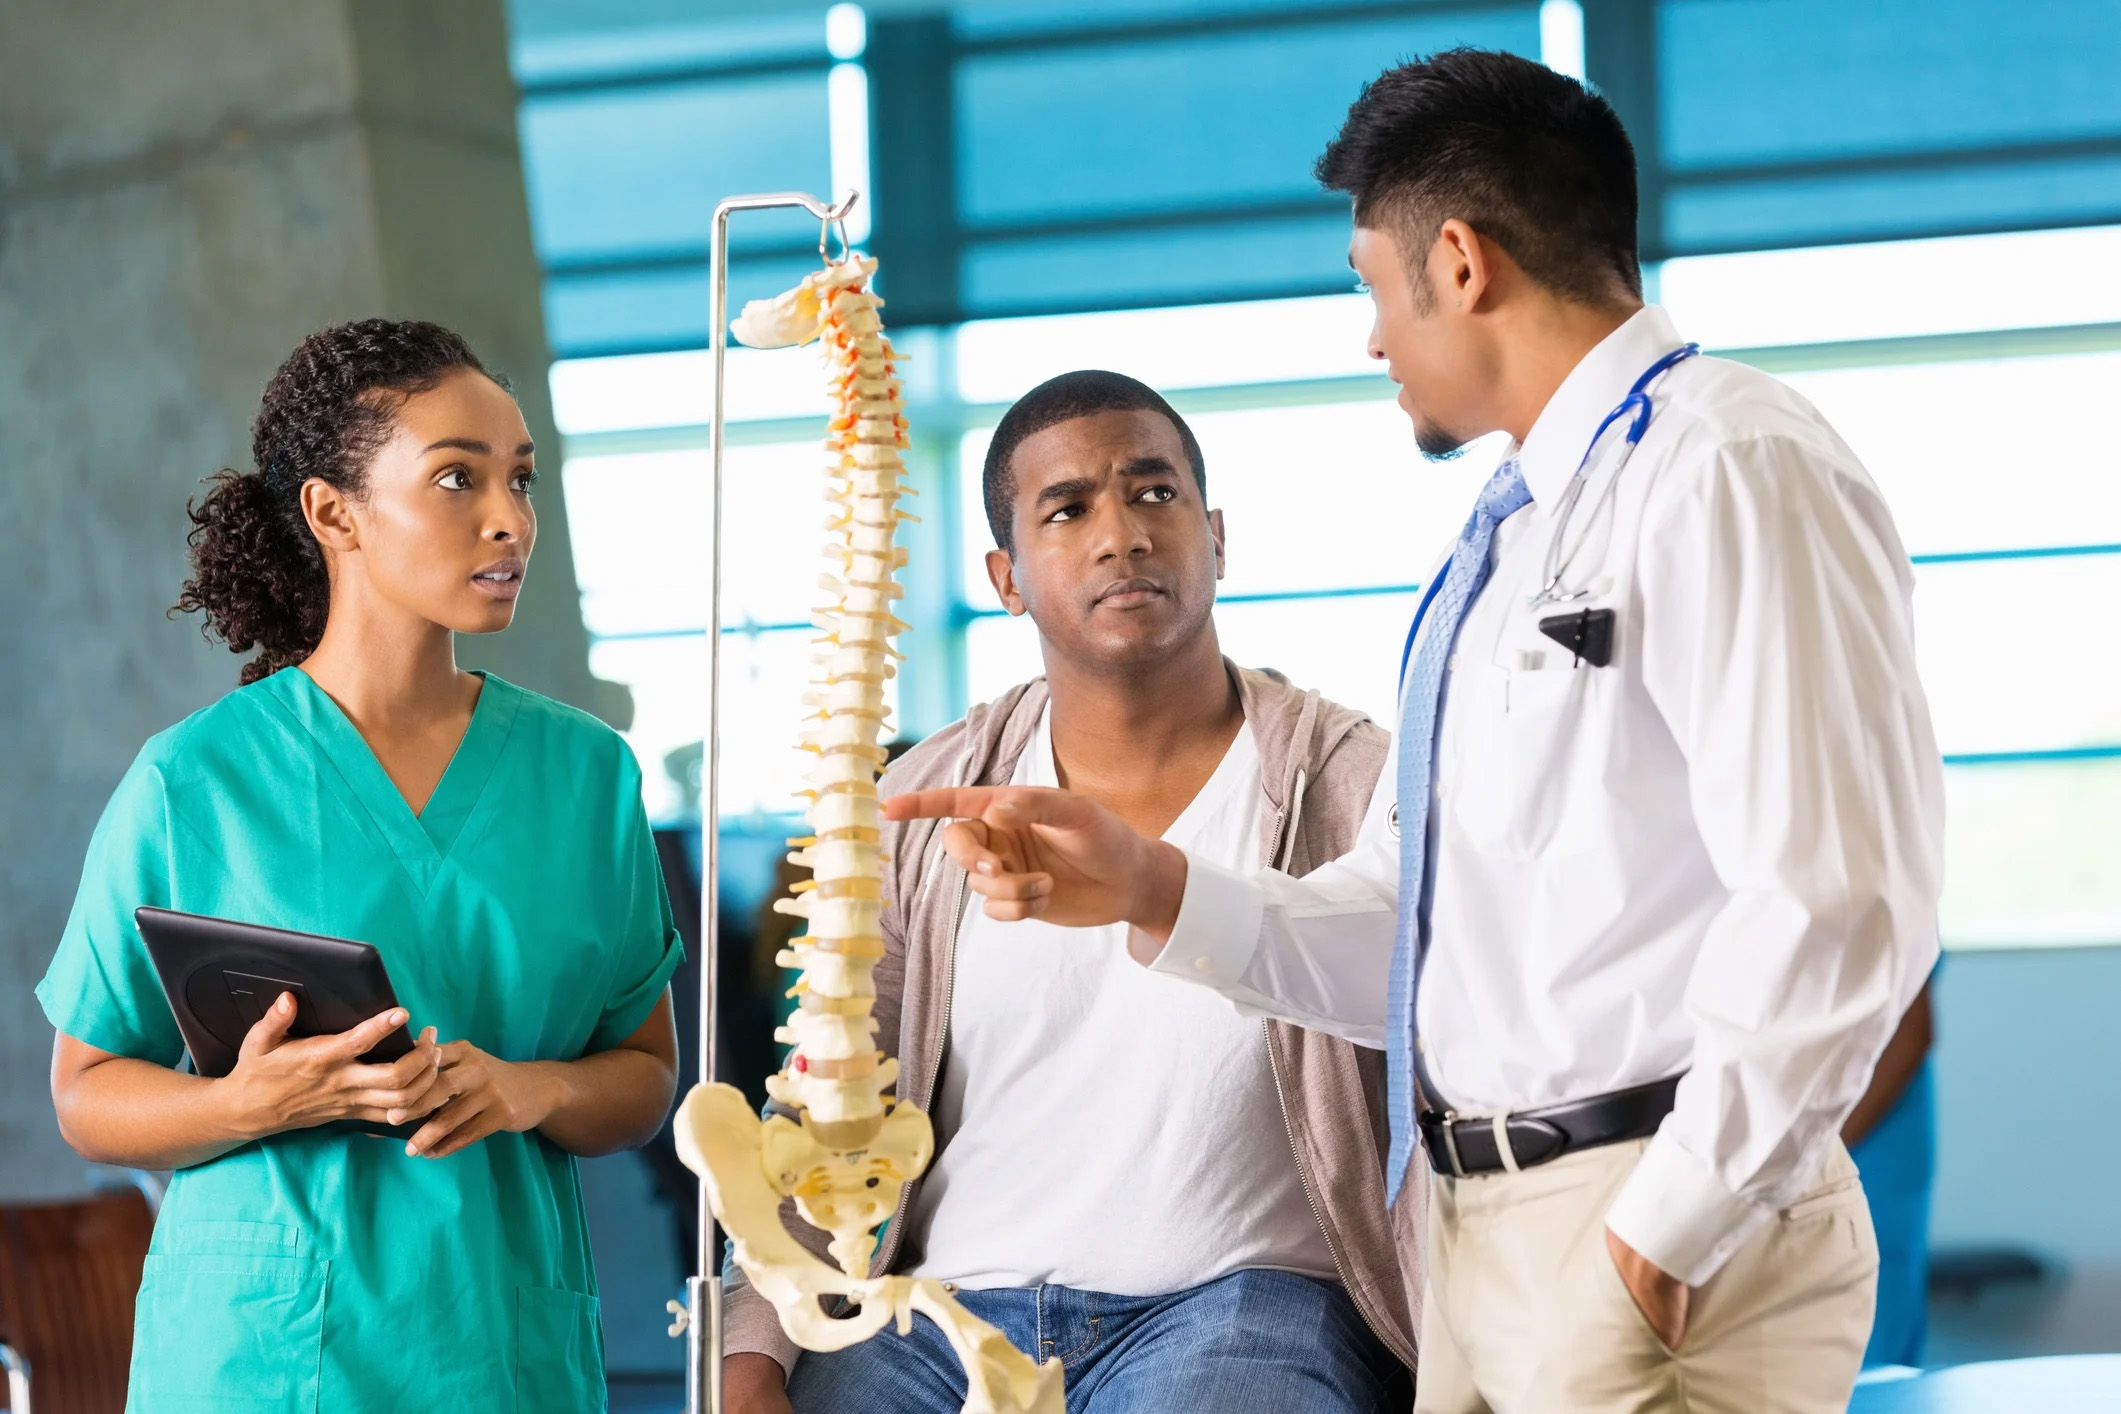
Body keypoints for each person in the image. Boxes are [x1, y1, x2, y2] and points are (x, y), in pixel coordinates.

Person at [888, 50, 1943, 1414]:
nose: (1370, 337)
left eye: (1369, 284)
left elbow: (1837, 894)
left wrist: (1670, 1225)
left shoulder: (1727, 465)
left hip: (1641, 1211)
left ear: (1457, 261)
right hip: (1481, 1238)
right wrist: (1151, 885)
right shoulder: (1515, 535)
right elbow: (1413, 930)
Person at [723, 371, 1415, 1414]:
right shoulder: (914, 810)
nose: (1121, 535)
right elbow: (830, 1121)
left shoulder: (1360, 786)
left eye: (1154, 494)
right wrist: (750, 1352)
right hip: (940, 1314)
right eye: (1068, 508)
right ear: (1006, 577)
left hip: (1239, 1300)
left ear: (1216, 538)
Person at [39, 320, 684, 1414]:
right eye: (455, 478)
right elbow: (88, 1095)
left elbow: (644, 1075)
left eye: (521, 480)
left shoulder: (586, 780)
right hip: (261, 1358)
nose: (509, 519)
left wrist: (532, 1089)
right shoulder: (194, 783)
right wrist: (251, 1102)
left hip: (498, 1348)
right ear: (335, 513)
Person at [1845, 978, 1939, 1368]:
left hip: (1865, 1155)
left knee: (1870, 1371)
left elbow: (1909, 1033)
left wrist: (1811, 1153)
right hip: (1819, 1157)